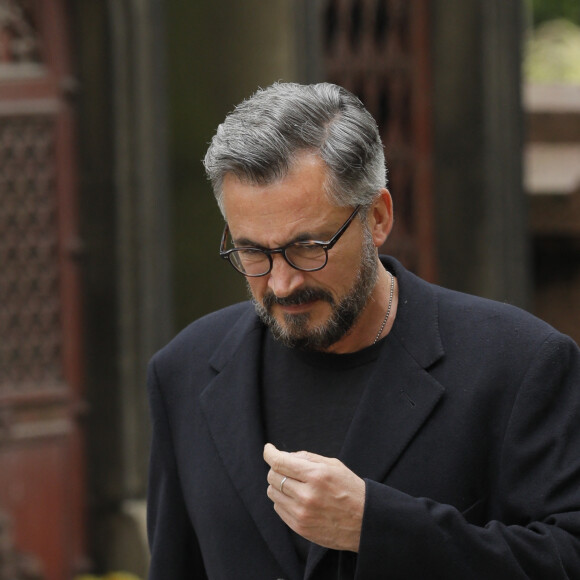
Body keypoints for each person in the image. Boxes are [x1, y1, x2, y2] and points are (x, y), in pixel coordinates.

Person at [146, 82, 580, 579]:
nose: (283, 283)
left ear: (377, 217)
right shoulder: (182, 371)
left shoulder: (520, 362)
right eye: (253, 253)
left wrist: (375, 525)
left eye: (308, 246)